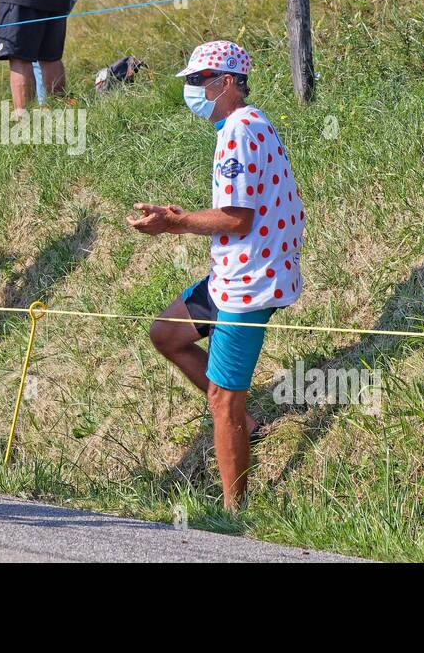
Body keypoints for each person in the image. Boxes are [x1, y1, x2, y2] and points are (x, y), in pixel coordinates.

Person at [127, 41, 305, 510]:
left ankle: (233, 515)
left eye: (195, 81)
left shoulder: (239, 132)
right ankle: (243, 425)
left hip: (248, 283)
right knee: (166, 334)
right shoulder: (247, 123)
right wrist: (174, 215)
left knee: (223, 401)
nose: (190, 90)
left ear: (226, 83)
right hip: (231, 272)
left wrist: (173, 222)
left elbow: (235, 219)